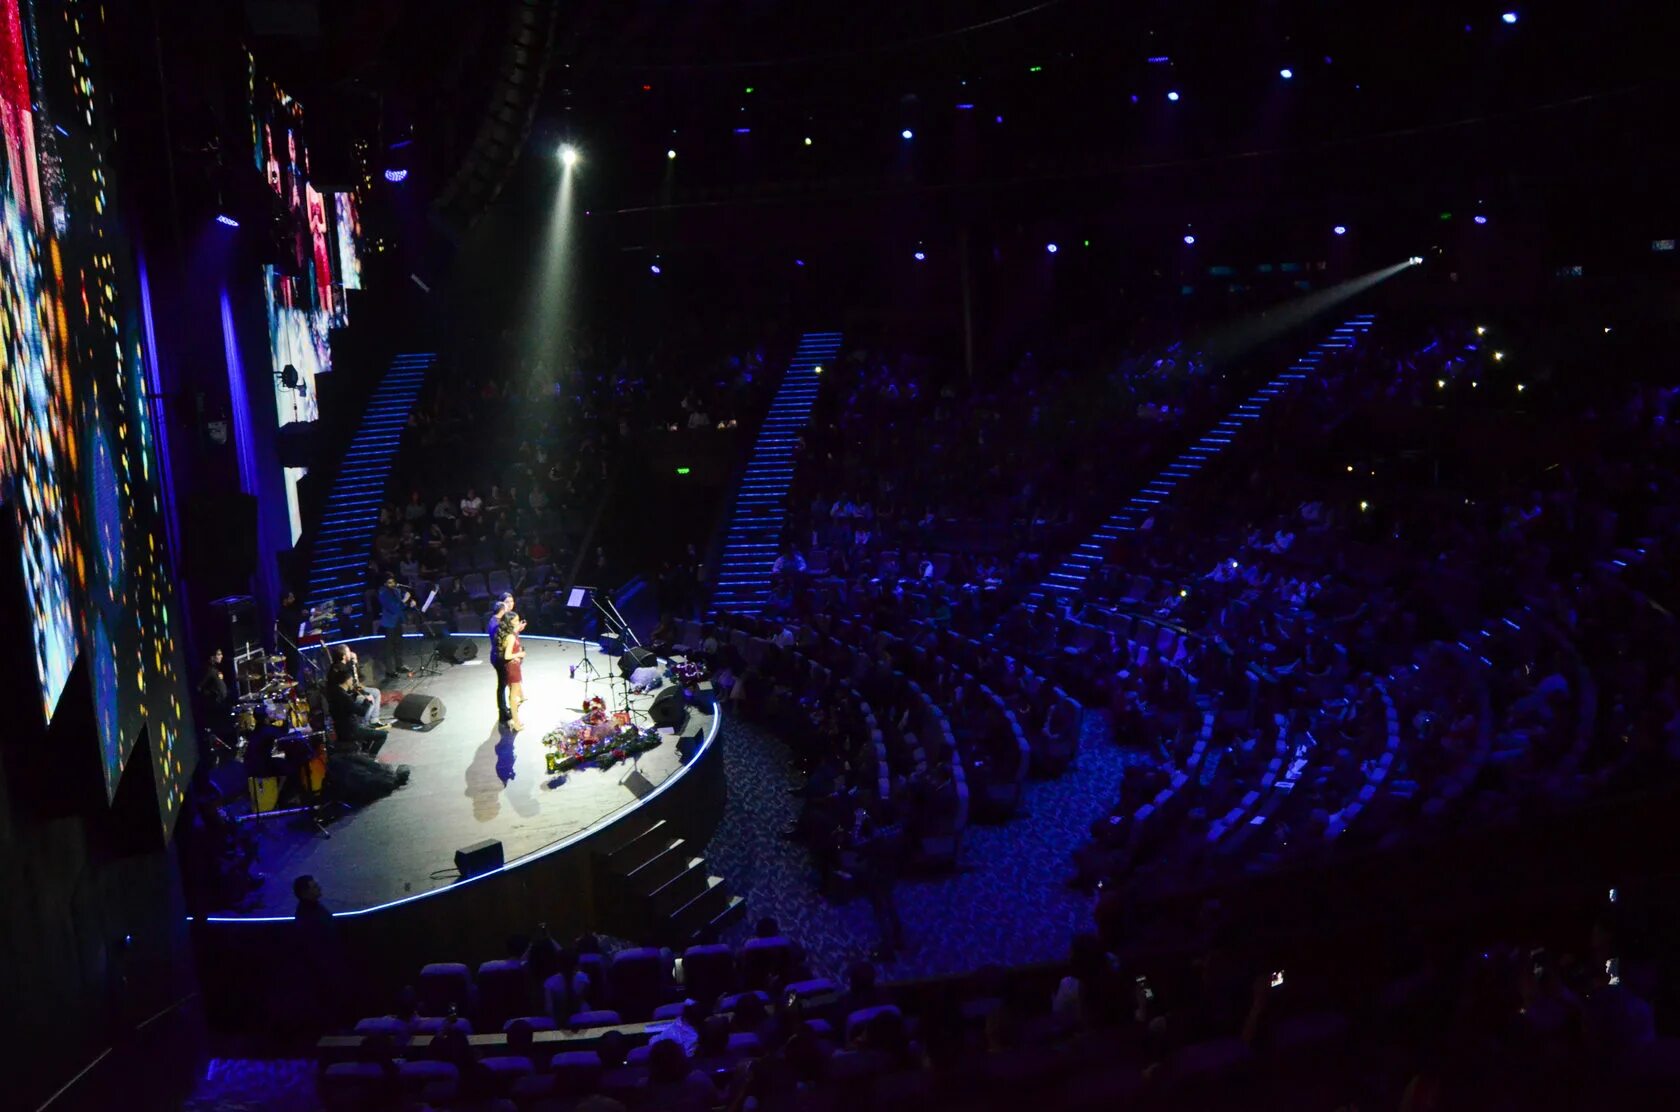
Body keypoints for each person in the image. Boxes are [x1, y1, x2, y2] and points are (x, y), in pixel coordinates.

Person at [327, 668, 387, 753]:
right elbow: (361, 712)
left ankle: (364, 753)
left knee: (368, 731)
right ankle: (371, 757)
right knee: (383, 735)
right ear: (347, 680)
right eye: (351, 680)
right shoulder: (344, 697)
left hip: (340, 729)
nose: (352, 682)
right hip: (351, 731)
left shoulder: (335, 693)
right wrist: (367, 701)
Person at [376, 575, 411, 675]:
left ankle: (399, 665)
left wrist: (408, 603)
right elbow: (393, 607)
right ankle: (390, 670)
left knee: (399, 645)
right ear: (385, 584)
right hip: (389, 623)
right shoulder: (383, 593)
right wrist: (404, 600)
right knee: (389, 648)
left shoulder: (395, 590)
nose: (392, 584)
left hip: (397, 621)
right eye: (390, 582)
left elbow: (400, 605)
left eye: (393, 582)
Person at [500, 610, 529, 731]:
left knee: (514, 691)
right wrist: (520, 653)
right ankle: (516, 723)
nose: (518, 622)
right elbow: (507, 656)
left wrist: (518, 629)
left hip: (512, 666)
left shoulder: (510, 633)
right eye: (516, 621)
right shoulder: (511, 637)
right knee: (513, 696)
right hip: (513, 668)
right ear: (510, 623)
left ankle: (515, 719)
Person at [487, 594, 513, 723]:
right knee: (502, 685)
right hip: (499, 658)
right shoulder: (497, 625)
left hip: (496, 656)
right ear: (502, 610)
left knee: (502, 684)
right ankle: (503, 712)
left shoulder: (493, 620)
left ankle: (503, 709)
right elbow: (502, 641)